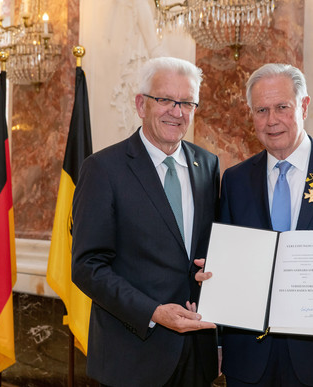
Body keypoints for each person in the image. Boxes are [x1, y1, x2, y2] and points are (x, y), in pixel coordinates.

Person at [199, 63, 313, 386]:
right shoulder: (235, 181)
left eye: (282, 107)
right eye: (261, 110)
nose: (272, 120)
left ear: (303, 106)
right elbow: (228, 259)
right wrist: (215, 274)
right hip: (249, 362)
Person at [72, 57, 220, 387]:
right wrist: (153, 311)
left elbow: (206, 248)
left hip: (197, 356)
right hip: (131, 357)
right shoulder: (103, 169)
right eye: (165, 100)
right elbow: (87, 266)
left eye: (186, 102)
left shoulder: (208, 165)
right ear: (141, 104)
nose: (176, 111)